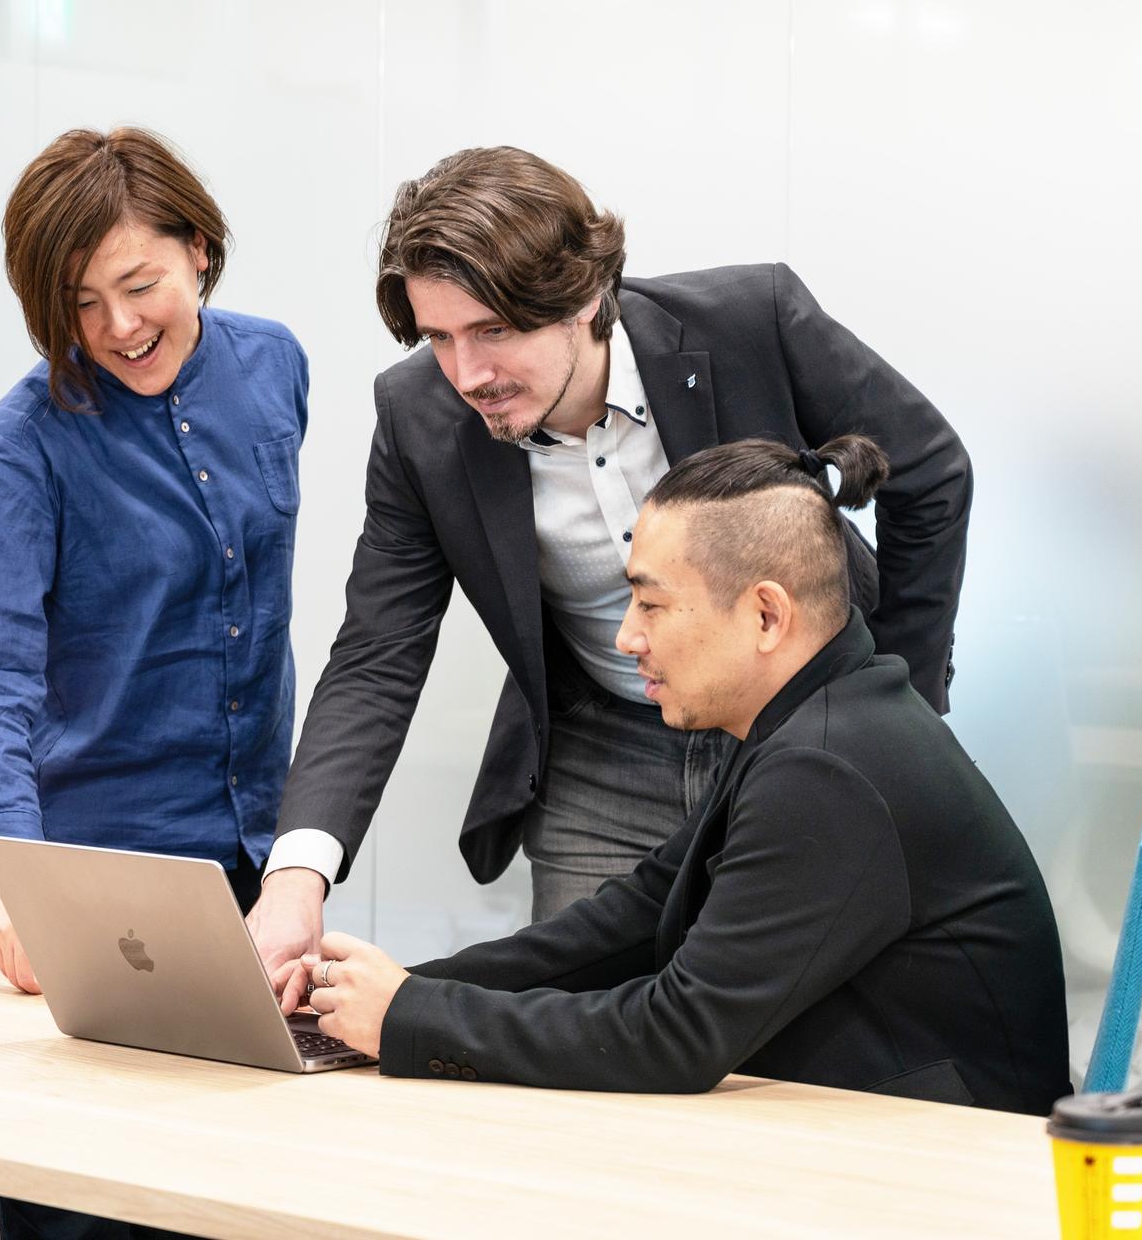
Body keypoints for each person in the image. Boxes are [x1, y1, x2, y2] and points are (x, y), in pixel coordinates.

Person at [248, 146, 973, 967]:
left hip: (799, 725)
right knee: (574, 1012)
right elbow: (378, 651)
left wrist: (899, 706)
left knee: (805, 1004)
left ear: (585, 296)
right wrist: (297, 875)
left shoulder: (750, 319)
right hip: (604, 759)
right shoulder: (418, 415)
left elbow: (932, 473)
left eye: (494, 330)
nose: (467, 373)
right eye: (440, 337)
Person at [274, 436, 1069, 1112]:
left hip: (944, 1169)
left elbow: (677, 1034)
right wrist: (383, 991)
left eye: (650, 605)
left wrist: (413, 1013)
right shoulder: (815, 718)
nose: (626, 638)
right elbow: (632, 919)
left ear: (766, 615)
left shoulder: (828, 768)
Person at [0, 127, 307, 1239]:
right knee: (87, 1207)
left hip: (252, 858)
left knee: (241, 1192)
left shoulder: (276, 366)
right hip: (88, 878)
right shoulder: (26, 441)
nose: (117, 327)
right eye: (79, 304)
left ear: (200, 250)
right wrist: (17, 878)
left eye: (140, 285)